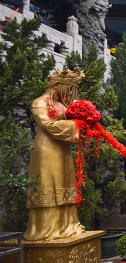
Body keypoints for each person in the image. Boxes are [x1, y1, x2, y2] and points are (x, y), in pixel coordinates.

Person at [24, 68, 86, 242]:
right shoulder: (39, 103)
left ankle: (68, 226)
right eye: (69, 87)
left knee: (65, 183)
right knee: (49, 184)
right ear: (58, 85)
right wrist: (76, 126)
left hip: (62, 148)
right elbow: (48, 125)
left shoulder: (61, 105)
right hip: (46, 149)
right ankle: (47, 230)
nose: (71, 92)